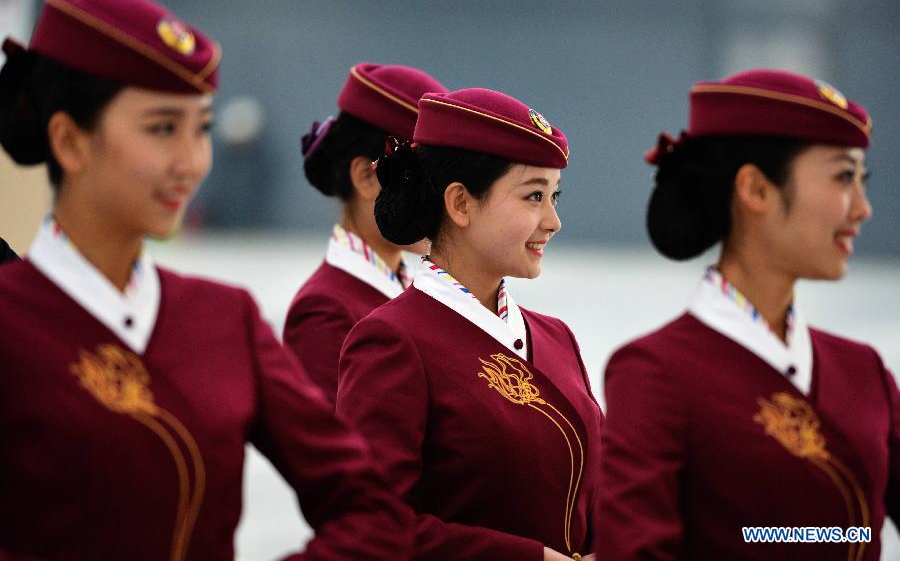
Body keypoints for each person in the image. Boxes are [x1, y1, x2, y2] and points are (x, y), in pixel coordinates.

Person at [0, 0, 411, 560]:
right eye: (163, 128)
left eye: (201, 130)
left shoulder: (225, 319)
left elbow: (371, 507)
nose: (192, 163)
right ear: (69, 140)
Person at [595, 69, 899, 560]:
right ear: (756, 189)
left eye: (862, 180)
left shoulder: (865, 371)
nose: (863, 208)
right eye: (844, 177)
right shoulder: (654, 374)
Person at [336, 87, 604, 561]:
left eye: (555, 196)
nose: (554, 220)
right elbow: (366, 528)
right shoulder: (394, 341)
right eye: (534, 196)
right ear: (460, 203)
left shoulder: (557, 337)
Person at [283, 63, 446, 405]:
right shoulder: (325, 312)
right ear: (367, 178)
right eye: (422, 179)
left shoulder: (417, 289)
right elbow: (332, 453)